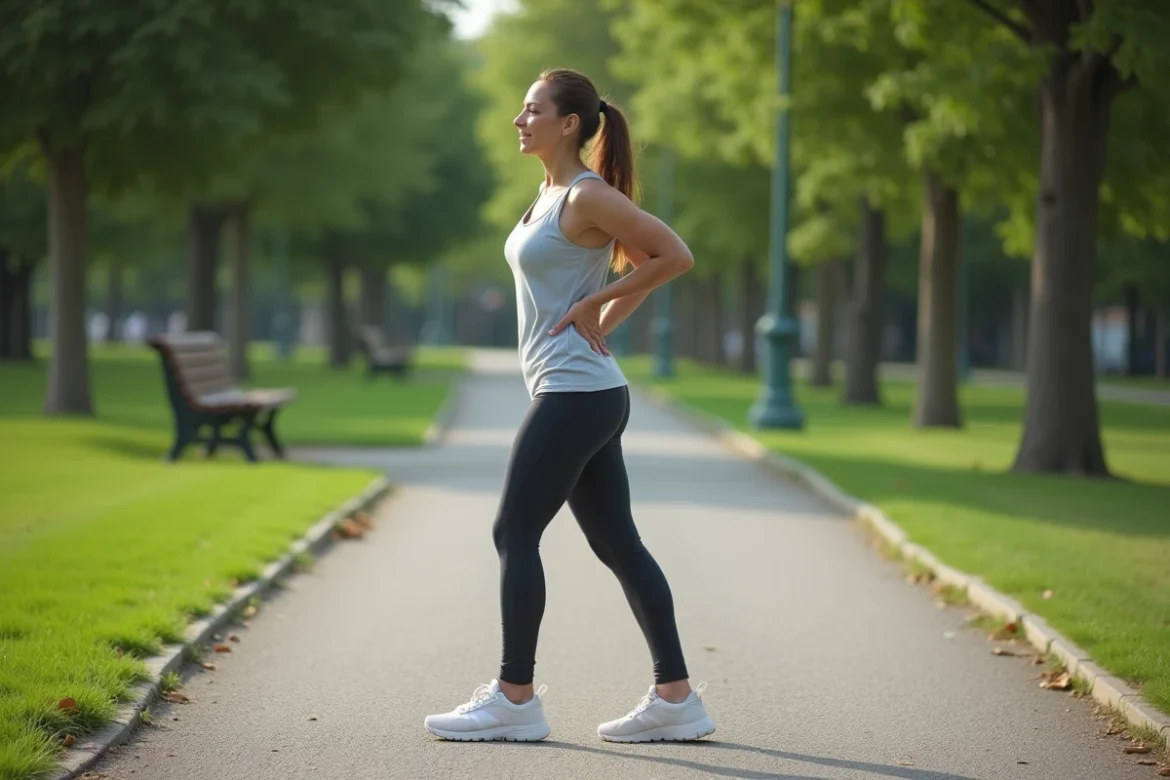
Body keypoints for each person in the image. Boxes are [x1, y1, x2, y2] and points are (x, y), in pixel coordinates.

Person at [424, 68, 715, 744]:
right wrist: (602, 316)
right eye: (521, 110)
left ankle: (514, 698)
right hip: (584, 390)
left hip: (575, 393)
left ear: (570, 124)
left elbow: (673, 255)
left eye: (533, 110)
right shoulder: (551, 194)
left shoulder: (587, 195)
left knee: (513, 531)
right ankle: (677, 698)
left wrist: (597, 310)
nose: (519, 121)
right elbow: (642, 262)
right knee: (617, 541)